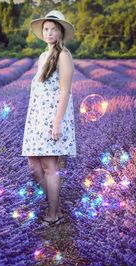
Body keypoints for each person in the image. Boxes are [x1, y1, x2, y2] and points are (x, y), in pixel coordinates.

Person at [21, 10, 77, 227]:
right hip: (36, 118)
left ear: (60, 32)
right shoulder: (43, 56)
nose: (50, 32)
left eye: (54, 29)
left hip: (52, 119)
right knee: (34, 167)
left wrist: (57, 123)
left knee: (49, 167)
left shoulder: (64, 56)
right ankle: (57, 206)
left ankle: (53, 215)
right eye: (46, 28)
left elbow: (65, 92)